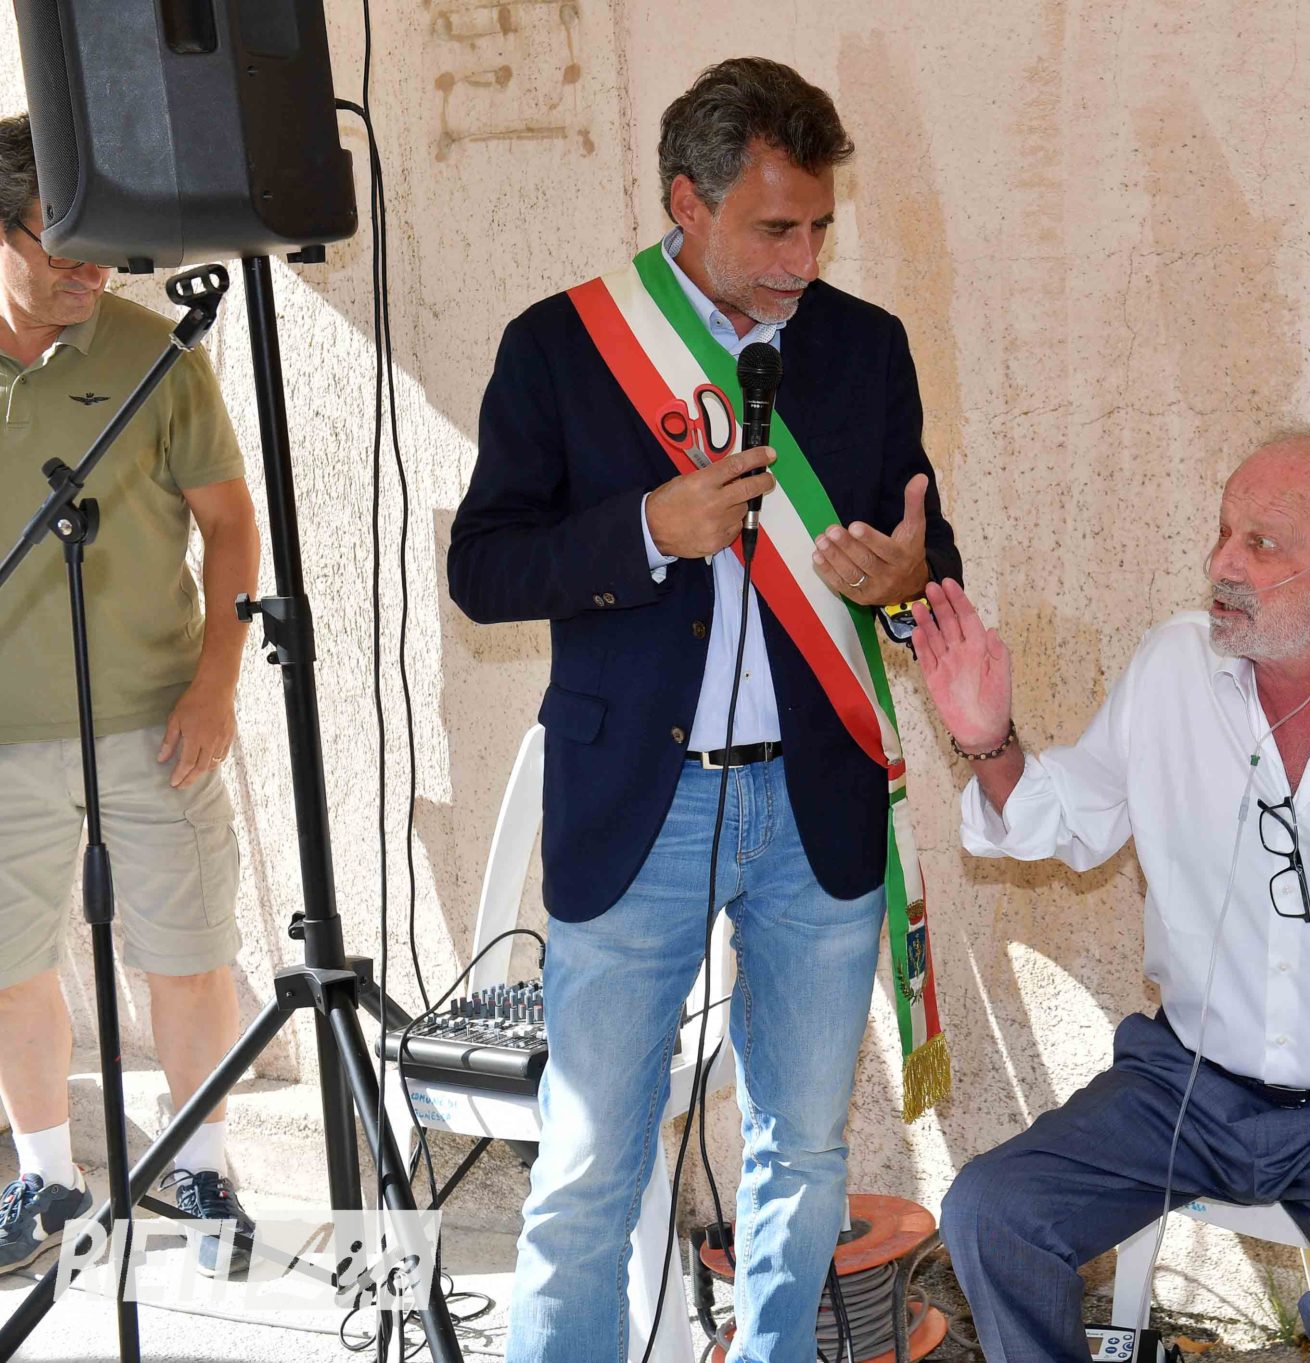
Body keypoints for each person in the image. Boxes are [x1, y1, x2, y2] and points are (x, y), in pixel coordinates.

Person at [449, 58, 961, 1363]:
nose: (803, 259)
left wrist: (906, 584)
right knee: (587, 1167)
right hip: (641, 803)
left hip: (817, 800)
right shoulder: (563, 346)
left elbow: (926, 556)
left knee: (805, 1148)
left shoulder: (864, 347)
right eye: (774, 228)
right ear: (687, 201)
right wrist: (645, 530)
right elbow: (485, 567)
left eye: (819, 227)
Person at [918, 432, 1310, 1362]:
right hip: (1183, 1082)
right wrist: (987, 737)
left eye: (1262, 544)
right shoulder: (1175, 666)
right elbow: (1066, 819)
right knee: (990, 1212)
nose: (1222, 564)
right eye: (1223, 533)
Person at [0, 114, 260, 1276]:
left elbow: (231, 524)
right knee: (7, 966)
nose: (90, 271)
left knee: (186, 953)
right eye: (59, 244)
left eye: (99, 246)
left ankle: (200, 1165)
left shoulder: (160, 355)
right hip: (2, 738)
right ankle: (47, 1179)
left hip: (159, 723)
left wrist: (217, 683)